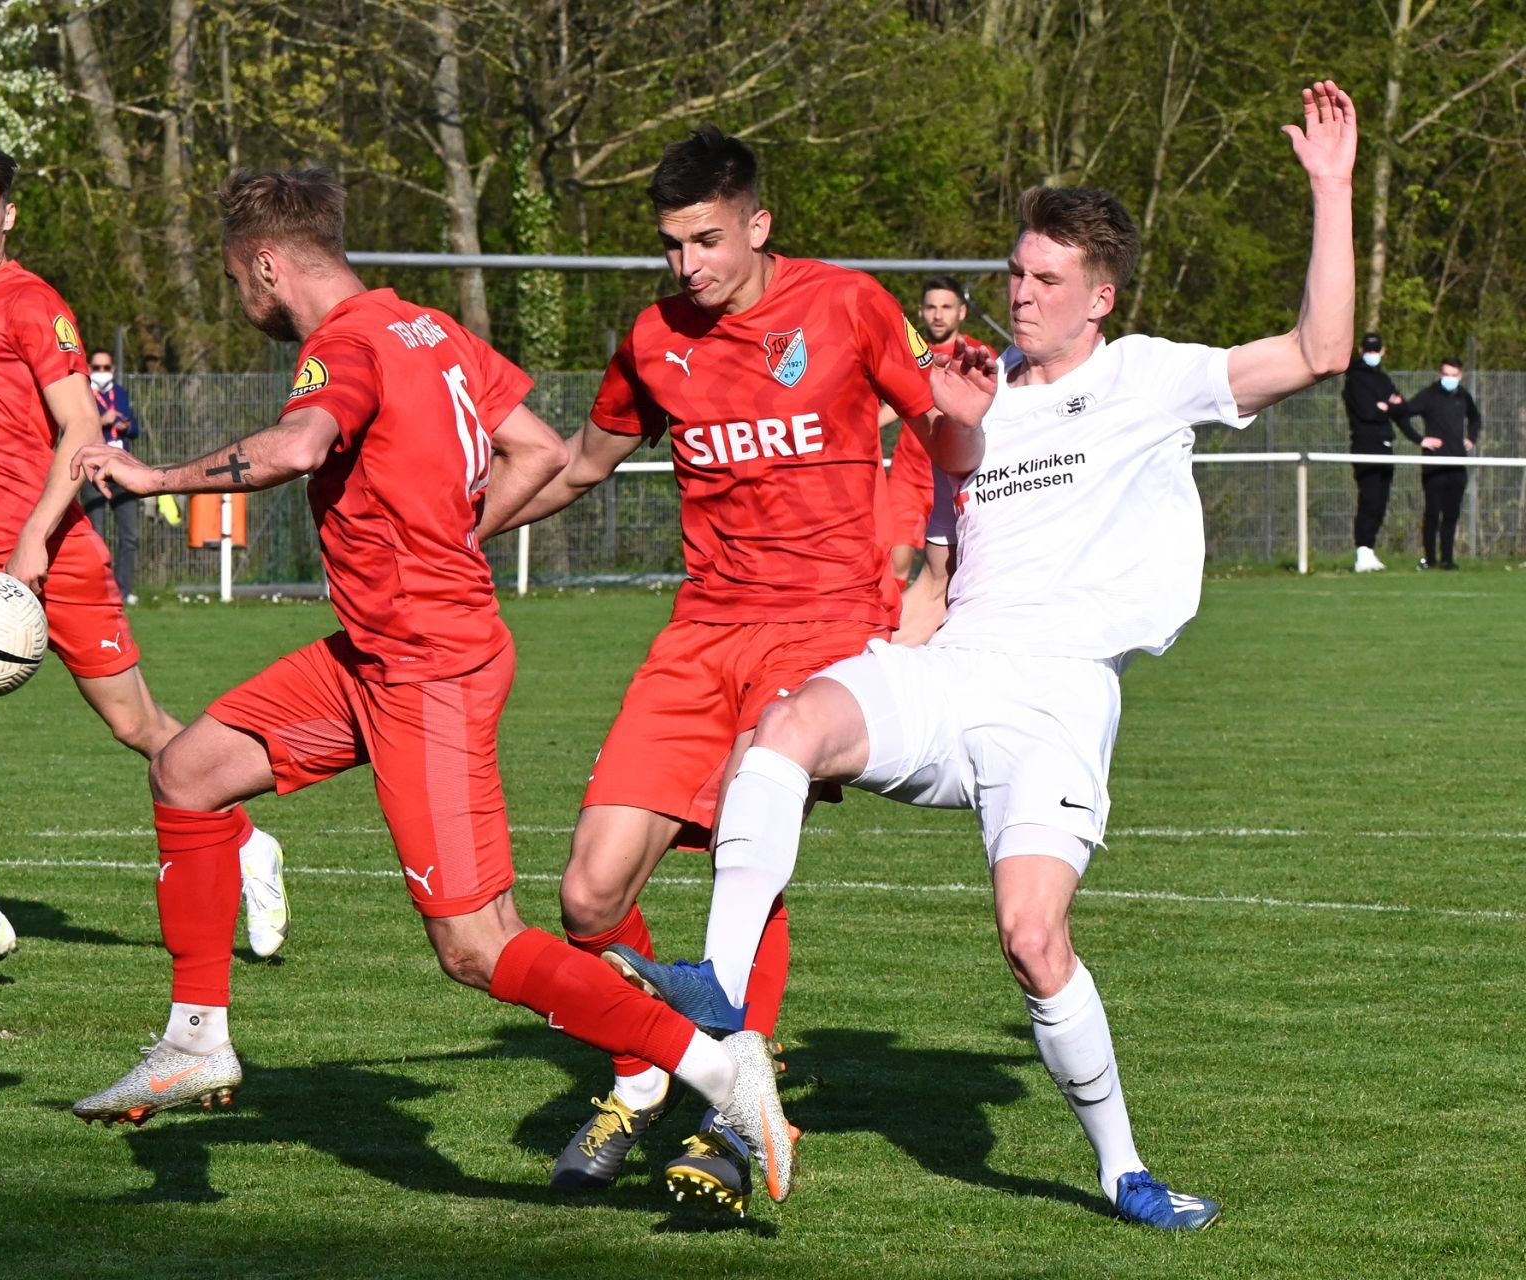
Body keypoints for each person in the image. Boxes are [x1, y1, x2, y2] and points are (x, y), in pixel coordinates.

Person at [621, 81, 1359, 1231]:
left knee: (1031, 936)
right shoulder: (972, 378)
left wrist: (1330, 187)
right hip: (954, 670)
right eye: (1015, 272)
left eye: (1046, 278)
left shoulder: (1151, 376)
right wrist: (955, 424)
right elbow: (939, 507)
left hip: (1058, 697)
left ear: (1099, 296)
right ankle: (727, 1004)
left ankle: (1123, 1167)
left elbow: (1321, 348)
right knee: (785, 725)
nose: (1020, 291)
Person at [66, 168, 793, 1212]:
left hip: (426, 666)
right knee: (188, 770)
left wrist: (155, 477)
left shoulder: (345, 344)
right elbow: (538, 449)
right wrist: (455, 534)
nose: (244, 301)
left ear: (269, 265)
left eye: (238, 281)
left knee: (477, 944)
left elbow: (298, 445)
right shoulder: (428, 328)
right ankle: (196, 1040)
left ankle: (727, 1076)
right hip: (373, 650)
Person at [477, 125, 982, 1209]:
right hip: (701, 631)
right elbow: (580, 462)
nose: (687, 266)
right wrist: (459, 529)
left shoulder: (846, 305)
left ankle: (731, 1115)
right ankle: (650, 1064)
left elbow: (946, 432)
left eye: (707, 240)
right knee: (588, 889)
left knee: (745, 859)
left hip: (819, 628)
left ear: (759, 224)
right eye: (671, 246)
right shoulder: (654, 337)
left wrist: (938, 566)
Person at [0, 141, 287, 980]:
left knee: (139, 729)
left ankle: (249, 844)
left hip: (50, 551)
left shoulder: (32, 304)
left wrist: (33, 536)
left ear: (7, 216)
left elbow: (81, 431)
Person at [876, 276, 996, 588]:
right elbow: (903, 399)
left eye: (946, 307)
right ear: (920, 312)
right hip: (908, 472)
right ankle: (895, 633)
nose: (938, 314)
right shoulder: (906, 352)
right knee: (894, 562)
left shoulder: (975, 354)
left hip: (952, 472)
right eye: (931, 307)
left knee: (950, 568)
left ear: (962, 312)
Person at [1392, 358, 1482, 570]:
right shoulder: (1428, 396)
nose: (1450, 379)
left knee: (1452, 513)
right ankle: (1430, 559)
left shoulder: (1463, 396)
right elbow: (1403, 414)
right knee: (1433, 512)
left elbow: (1475, 418)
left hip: (1457, 463)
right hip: (1434, 465)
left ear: (1460, 376)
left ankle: (1447, 559)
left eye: (1454, 375)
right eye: (1446, 374)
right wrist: (1421, 439)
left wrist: (1471, 438)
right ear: (1439, 374)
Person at [79, 348, 142, 603]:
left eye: (106, 368)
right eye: (97, 367)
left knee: (130, 535)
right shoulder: (83, 395)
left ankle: (123, 590)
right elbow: (76, 426)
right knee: (95, 534)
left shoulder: (121, 393)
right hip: (94, 470)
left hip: (122, 468)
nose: (101, 372)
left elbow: (136, 428)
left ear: (113, 370)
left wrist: (128, 426)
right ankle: (95, 591)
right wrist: (101, 421)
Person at [1339, 333, 1402, 572]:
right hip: (1366, 446)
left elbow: (1399, 406)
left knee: (1381, 501)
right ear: (1360, 350)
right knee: (1370, 498)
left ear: (1383, 351)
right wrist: (1385, 406)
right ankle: (1362, 551)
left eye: (1376, 350)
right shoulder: (1355, 379)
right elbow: (1367, 411)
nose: (1373, 354)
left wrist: (1387, 407)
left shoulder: (1383, 379)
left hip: (1386, 445)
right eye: (1369, 350)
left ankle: (1370, 550)